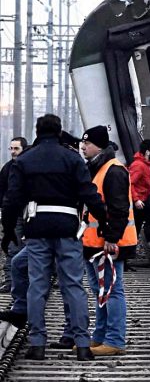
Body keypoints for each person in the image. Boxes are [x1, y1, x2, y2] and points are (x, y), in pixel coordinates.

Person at [0, 114, 105, 361]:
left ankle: (37, 344)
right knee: (73, 285)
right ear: (59, 132)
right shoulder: (72, 158)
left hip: (36, 228)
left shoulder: (24, 160)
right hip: (68, 228)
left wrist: (6, 233)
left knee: (37, 284)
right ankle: (81, 345)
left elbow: (12, 199)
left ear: (37, 131)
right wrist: (104, 224)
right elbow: (89, 193)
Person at [80, 125, 136, 356]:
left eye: (88, 144)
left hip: (108, 243)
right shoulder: (99, 168)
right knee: (99, 290)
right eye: (83, 143)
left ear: (100, 146)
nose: (83, 147)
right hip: (93, 242)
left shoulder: (113, 170)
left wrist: (112, 238)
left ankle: (114, 340)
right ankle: (100, 336)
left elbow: (119, 208)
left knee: (112, 290)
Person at [0, 136, 28, 293]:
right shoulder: (7, 168)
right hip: (14, 214)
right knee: (13, 247)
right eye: (11, 148)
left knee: (35, 248)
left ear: (24, 149)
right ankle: (10, 282)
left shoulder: (31, 166)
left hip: (30, 213)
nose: (13, 152)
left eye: (16, 148)